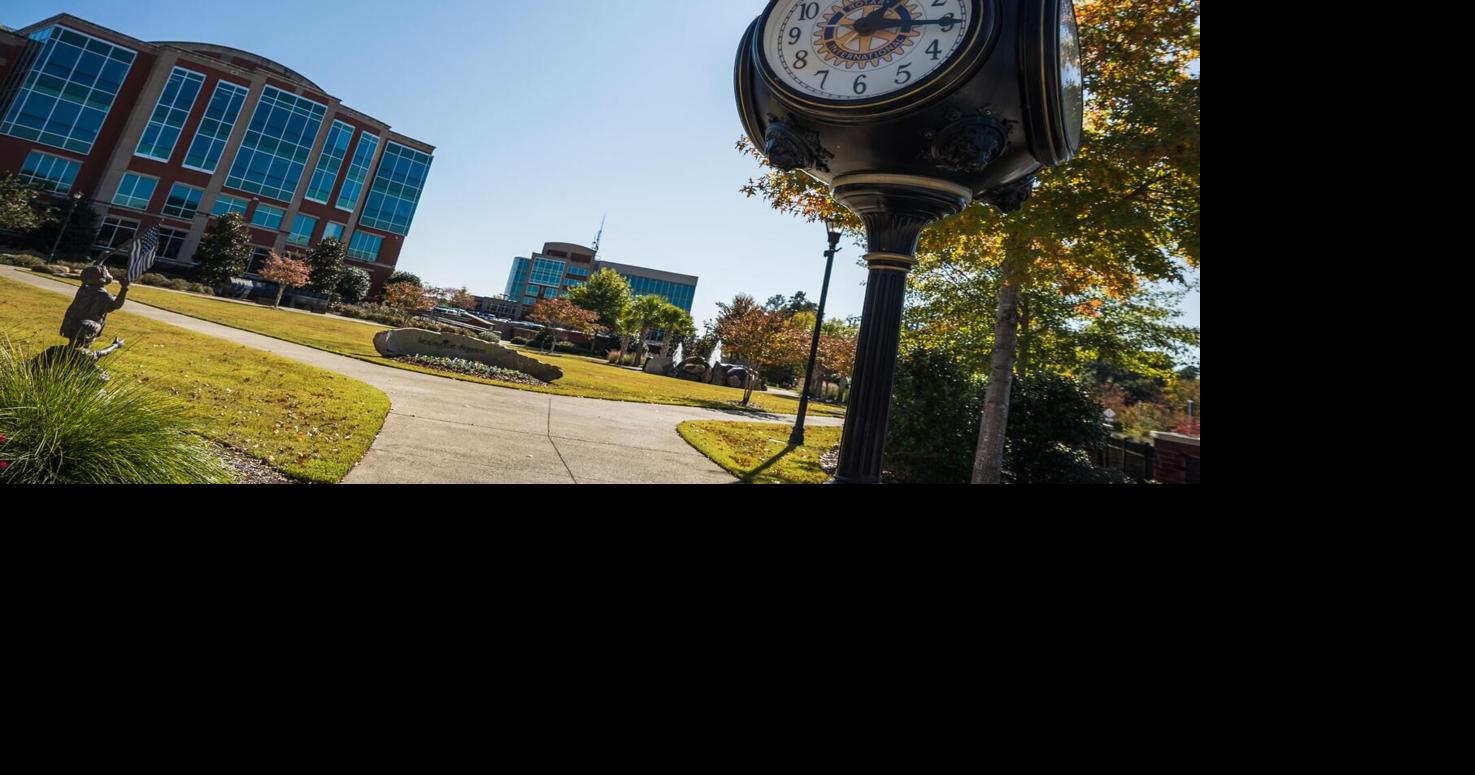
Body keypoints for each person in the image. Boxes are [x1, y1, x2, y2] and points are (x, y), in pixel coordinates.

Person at [32, 320, 124, 385]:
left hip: (44, 381)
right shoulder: (85, 355)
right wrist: (115, 345)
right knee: (103, 378)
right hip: (67, 386)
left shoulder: (54, 350)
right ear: (89, 339)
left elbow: (34, 363)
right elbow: (103, 352)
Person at [60, 265, 129, 344]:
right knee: (83, 346)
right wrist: (124, 288)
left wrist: (101, 258)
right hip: (87, 328)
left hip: (72, 324)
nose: (109, 273)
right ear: (101, 278)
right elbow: (116, 305)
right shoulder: (103, 295)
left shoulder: (84, 289)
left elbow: (90, 272)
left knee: (73, 345)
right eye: (107, 272)